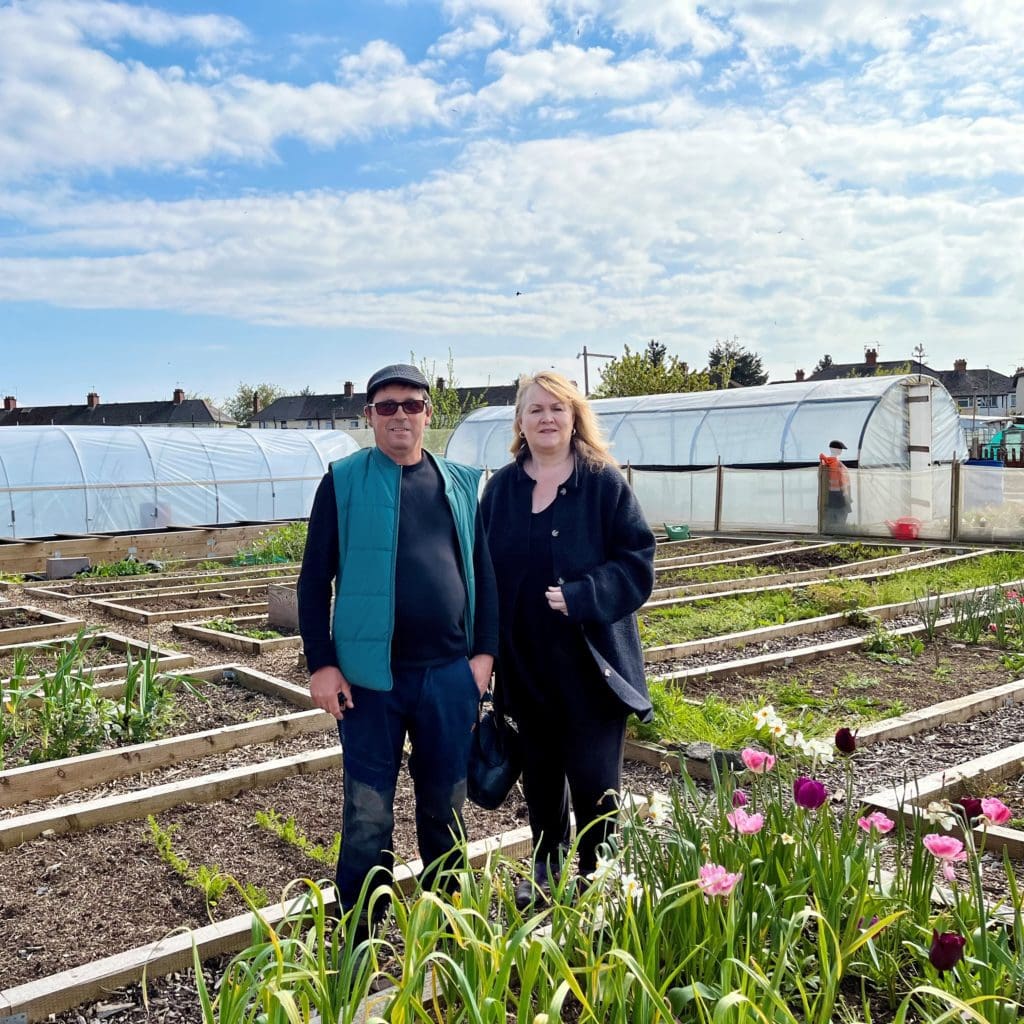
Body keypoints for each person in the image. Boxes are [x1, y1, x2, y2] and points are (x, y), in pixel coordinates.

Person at [297, 363, 498, 928]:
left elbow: (483, 569)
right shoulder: (343, 480)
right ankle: (360, 930)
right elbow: (313, 581)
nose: (400, 416)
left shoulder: (460, 481)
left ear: (428, 413)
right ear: (370, 418)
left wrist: (482, 660)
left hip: (448, 678)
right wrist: (323, 665)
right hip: (368, 684)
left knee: (446, 807)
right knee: (366, 812)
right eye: (387, 407)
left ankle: (444, 923)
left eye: (411, 405)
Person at [479, 371, 655, 910]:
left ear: (575, 416)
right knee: (540, 781)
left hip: (589, 669)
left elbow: (636, 561)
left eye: (557, 408)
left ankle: (598, 884)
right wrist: (483, 654)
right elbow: (481, 572)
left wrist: (585, 593)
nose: (547, 418)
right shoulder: (503, 490)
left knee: (595, 783)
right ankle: (547, 875)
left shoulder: (603, 482)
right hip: (526, 667)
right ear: (520, 422)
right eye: (535, 410)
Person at [820, 439, 852, 532]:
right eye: (841, 449)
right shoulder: (836, 464)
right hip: (839, 495)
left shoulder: (826, 462)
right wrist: (846, 494)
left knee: (831, 515)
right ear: (836, 450)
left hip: (830, 494)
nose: (841, 451)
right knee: (841, 515)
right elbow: (841, 480)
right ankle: (839, 531)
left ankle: (832, 530)